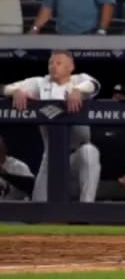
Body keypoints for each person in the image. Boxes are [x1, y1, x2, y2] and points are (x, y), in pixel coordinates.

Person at [2, 50, 101, 202]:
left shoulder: (79, 80)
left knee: (90, 151)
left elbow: (93, 85)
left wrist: (78, 91)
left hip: (76, 156)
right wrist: (16, 91)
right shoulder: (40, 83)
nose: (53, 66)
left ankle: (86, 208)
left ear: (71, 67)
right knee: (38, 209)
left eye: (59, 63)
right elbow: (4, 88)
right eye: (51, 63)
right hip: (50, 157)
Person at [0, 135, 34, 201]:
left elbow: (32, 188)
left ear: (5, 148)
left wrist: (5, 174)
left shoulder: (18, 166)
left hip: (15, 209)